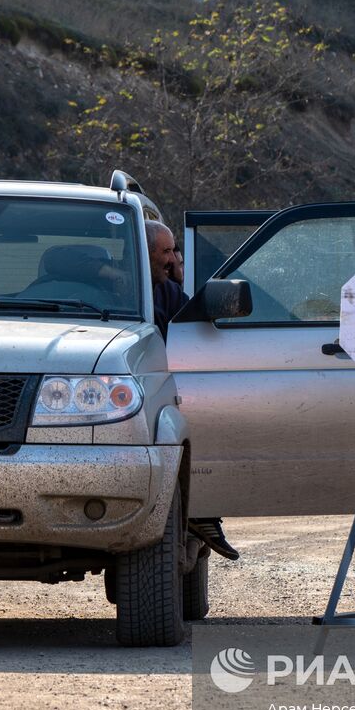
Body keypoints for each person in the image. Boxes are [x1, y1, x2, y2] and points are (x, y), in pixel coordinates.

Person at [144, 217, 240, 562]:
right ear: (142, 250)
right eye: (165, 252)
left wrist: (180, 278)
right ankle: (197, 517)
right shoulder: (114, 290)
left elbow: (192, 323)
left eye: (175, 251)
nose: (172, 258)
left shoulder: (166, 291)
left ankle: (200, 516)